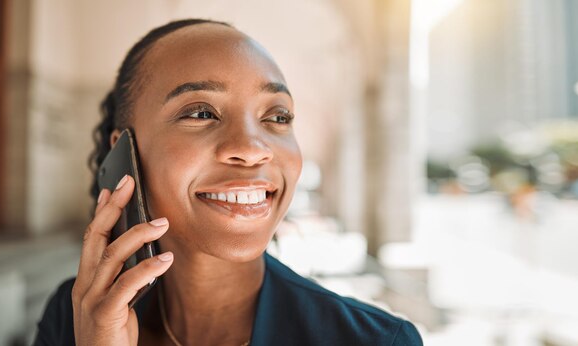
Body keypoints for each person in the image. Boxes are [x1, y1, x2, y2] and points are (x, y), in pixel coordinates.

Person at [33, 18, 423, 346]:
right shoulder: (75, 317)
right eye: (201, 112)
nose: (253, 150)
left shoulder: (377, 341)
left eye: (278, 116)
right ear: (124, 156)